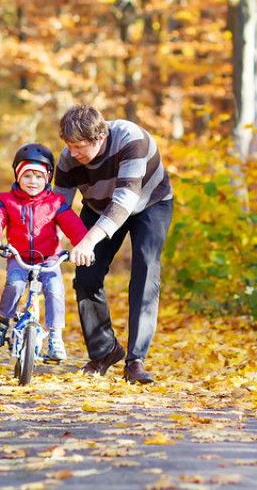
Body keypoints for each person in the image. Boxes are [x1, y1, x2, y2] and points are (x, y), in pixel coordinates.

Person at [53, 104, 173, 384]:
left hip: (149, 203)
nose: (73, 153)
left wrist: (88, 240)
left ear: (100, 139)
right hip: (97, 207)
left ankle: (135, 361)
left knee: (145, 267)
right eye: (69, 146)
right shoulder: (68, 159)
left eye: (79, 146)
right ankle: (105, 351)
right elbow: (56, 206)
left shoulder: (132, 140)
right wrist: (45, 243)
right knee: (85, 275)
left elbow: (124, 201)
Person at [0, 143, 88, 362]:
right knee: (15, 284)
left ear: (47, 178)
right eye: (27, 176)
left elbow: (72, 224)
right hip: (18, 257)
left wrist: (83, 244)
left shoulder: (56, 203)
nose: (33, 181)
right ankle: (3, 320)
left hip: (49, 259)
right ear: (18, 177)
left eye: (39, 177)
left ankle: (55, 336)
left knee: (55, 288)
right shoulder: (6, 200)